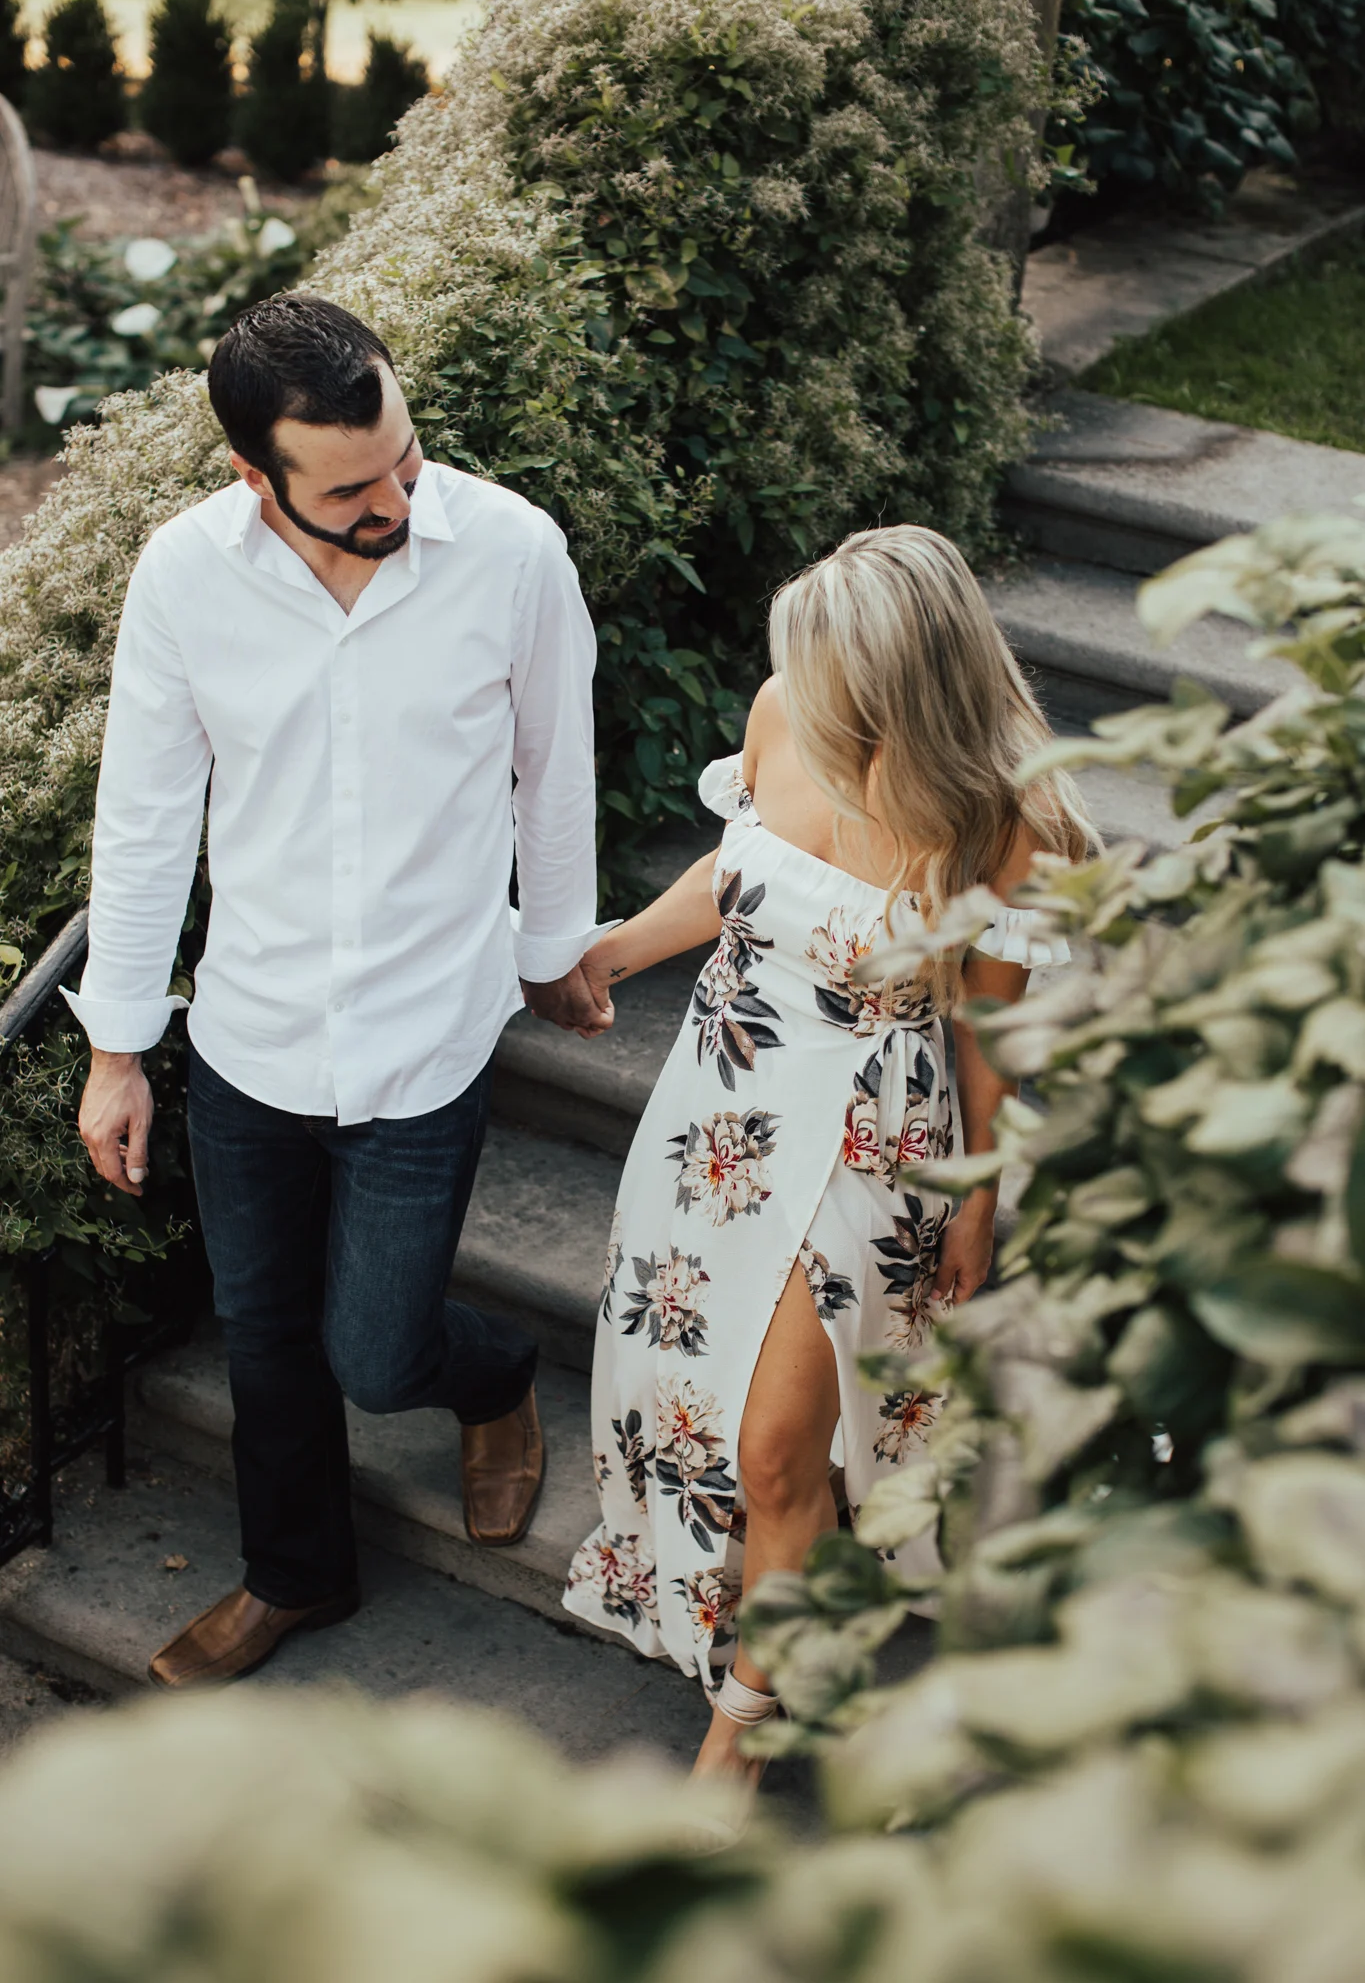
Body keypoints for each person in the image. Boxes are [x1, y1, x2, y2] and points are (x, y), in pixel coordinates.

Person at [66, 294, 610, 1688]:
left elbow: (556, 774)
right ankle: (295, 1576)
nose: (397, 499)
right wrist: (119, 1047)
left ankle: (487, 1380)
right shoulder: (187, 577)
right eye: (356, 490)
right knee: (263, 1333)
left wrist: (552, 951)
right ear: (257, 478)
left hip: (428, 1033)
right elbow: (142, 819)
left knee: (373, 1348)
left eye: (407, 461)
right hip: (251, 1031)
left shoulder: (510, 555)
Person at [564, 524, 1097, 1781]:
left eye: (832, 679)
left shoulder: (1006, 815)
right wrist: (618, 948)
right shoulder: (780, 710)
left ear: (905, 686)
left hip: (868, 1135)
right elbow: (738, 868)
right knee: (678, 1367)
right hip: (718, 1097)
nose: (804, 698)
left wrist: (978, 1200)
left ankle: (736, 1738)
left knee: (775, 1444)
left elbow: (986, 1021)